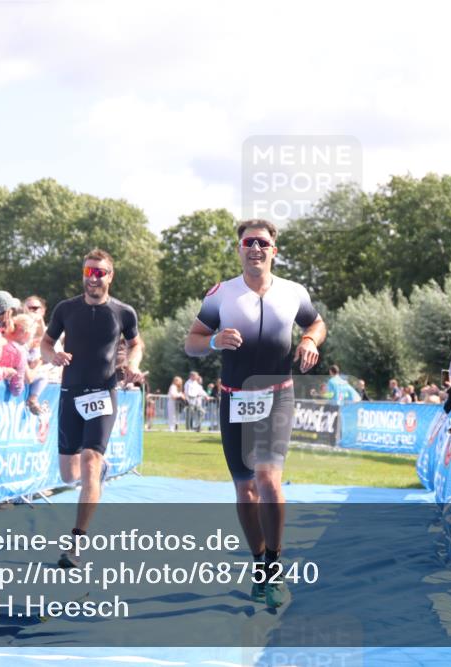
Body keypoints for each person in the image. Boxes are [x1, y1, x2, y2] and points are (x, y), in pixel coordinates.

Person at [185, 218, 326, 608]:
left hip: (277, 396)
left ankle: (276, 565)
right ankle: (260, 563)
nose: (256, 248)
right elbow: (191, 342)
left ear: (274, 250)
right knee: (245, 490)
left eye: (263, 243)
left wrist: (310, 340)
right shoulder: (221, 295)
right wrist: (213, 339)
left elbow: (315, 322)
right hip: (234, 400)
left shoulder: (293, 292)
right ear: (239, 249)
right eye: (248, 242)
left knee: (268, 481)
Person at [41, 249, 145, 568]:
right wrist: (52, 356)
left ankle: (76, 544)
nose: (93, 278)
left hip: (103, 393)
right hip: (71, 393)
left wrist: (133, 366)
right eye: (89, 272)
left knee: (89, 461)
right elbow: (46, 343)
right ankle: (98, 468)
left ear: (110, 276)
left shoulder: (123, 312)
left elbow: (136, 343)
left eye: (100, 272)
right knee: (68, 473)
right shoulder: (66, 308)